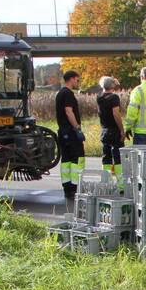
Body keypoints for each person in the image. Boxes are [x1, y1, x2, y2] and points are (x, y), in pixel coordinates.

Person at [55, 70, 85, 198]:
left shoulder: (60, 93)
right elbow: (69, 111)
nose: (77, 82)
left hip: (63, 132)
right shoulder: (68, 94)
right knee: (76, 158)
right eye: (77, 80)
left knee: (65, 160)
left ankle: (67, 188)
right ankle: (74, 186)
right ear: (72, 79)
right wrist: (77, 128)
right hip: (71, 132)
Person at [96, 76, 125, 187]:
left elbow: (105, 90)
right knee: (118, 157)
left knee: (106, 157)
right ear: (113, 86)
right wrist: (121, 130)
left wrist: (112, 83)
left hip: (104, 130)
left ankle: (106, 183)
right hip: (114, 130)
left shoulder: (99, 97)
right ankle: (121, 185)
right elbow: (115, 114)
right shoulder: (114, 98)